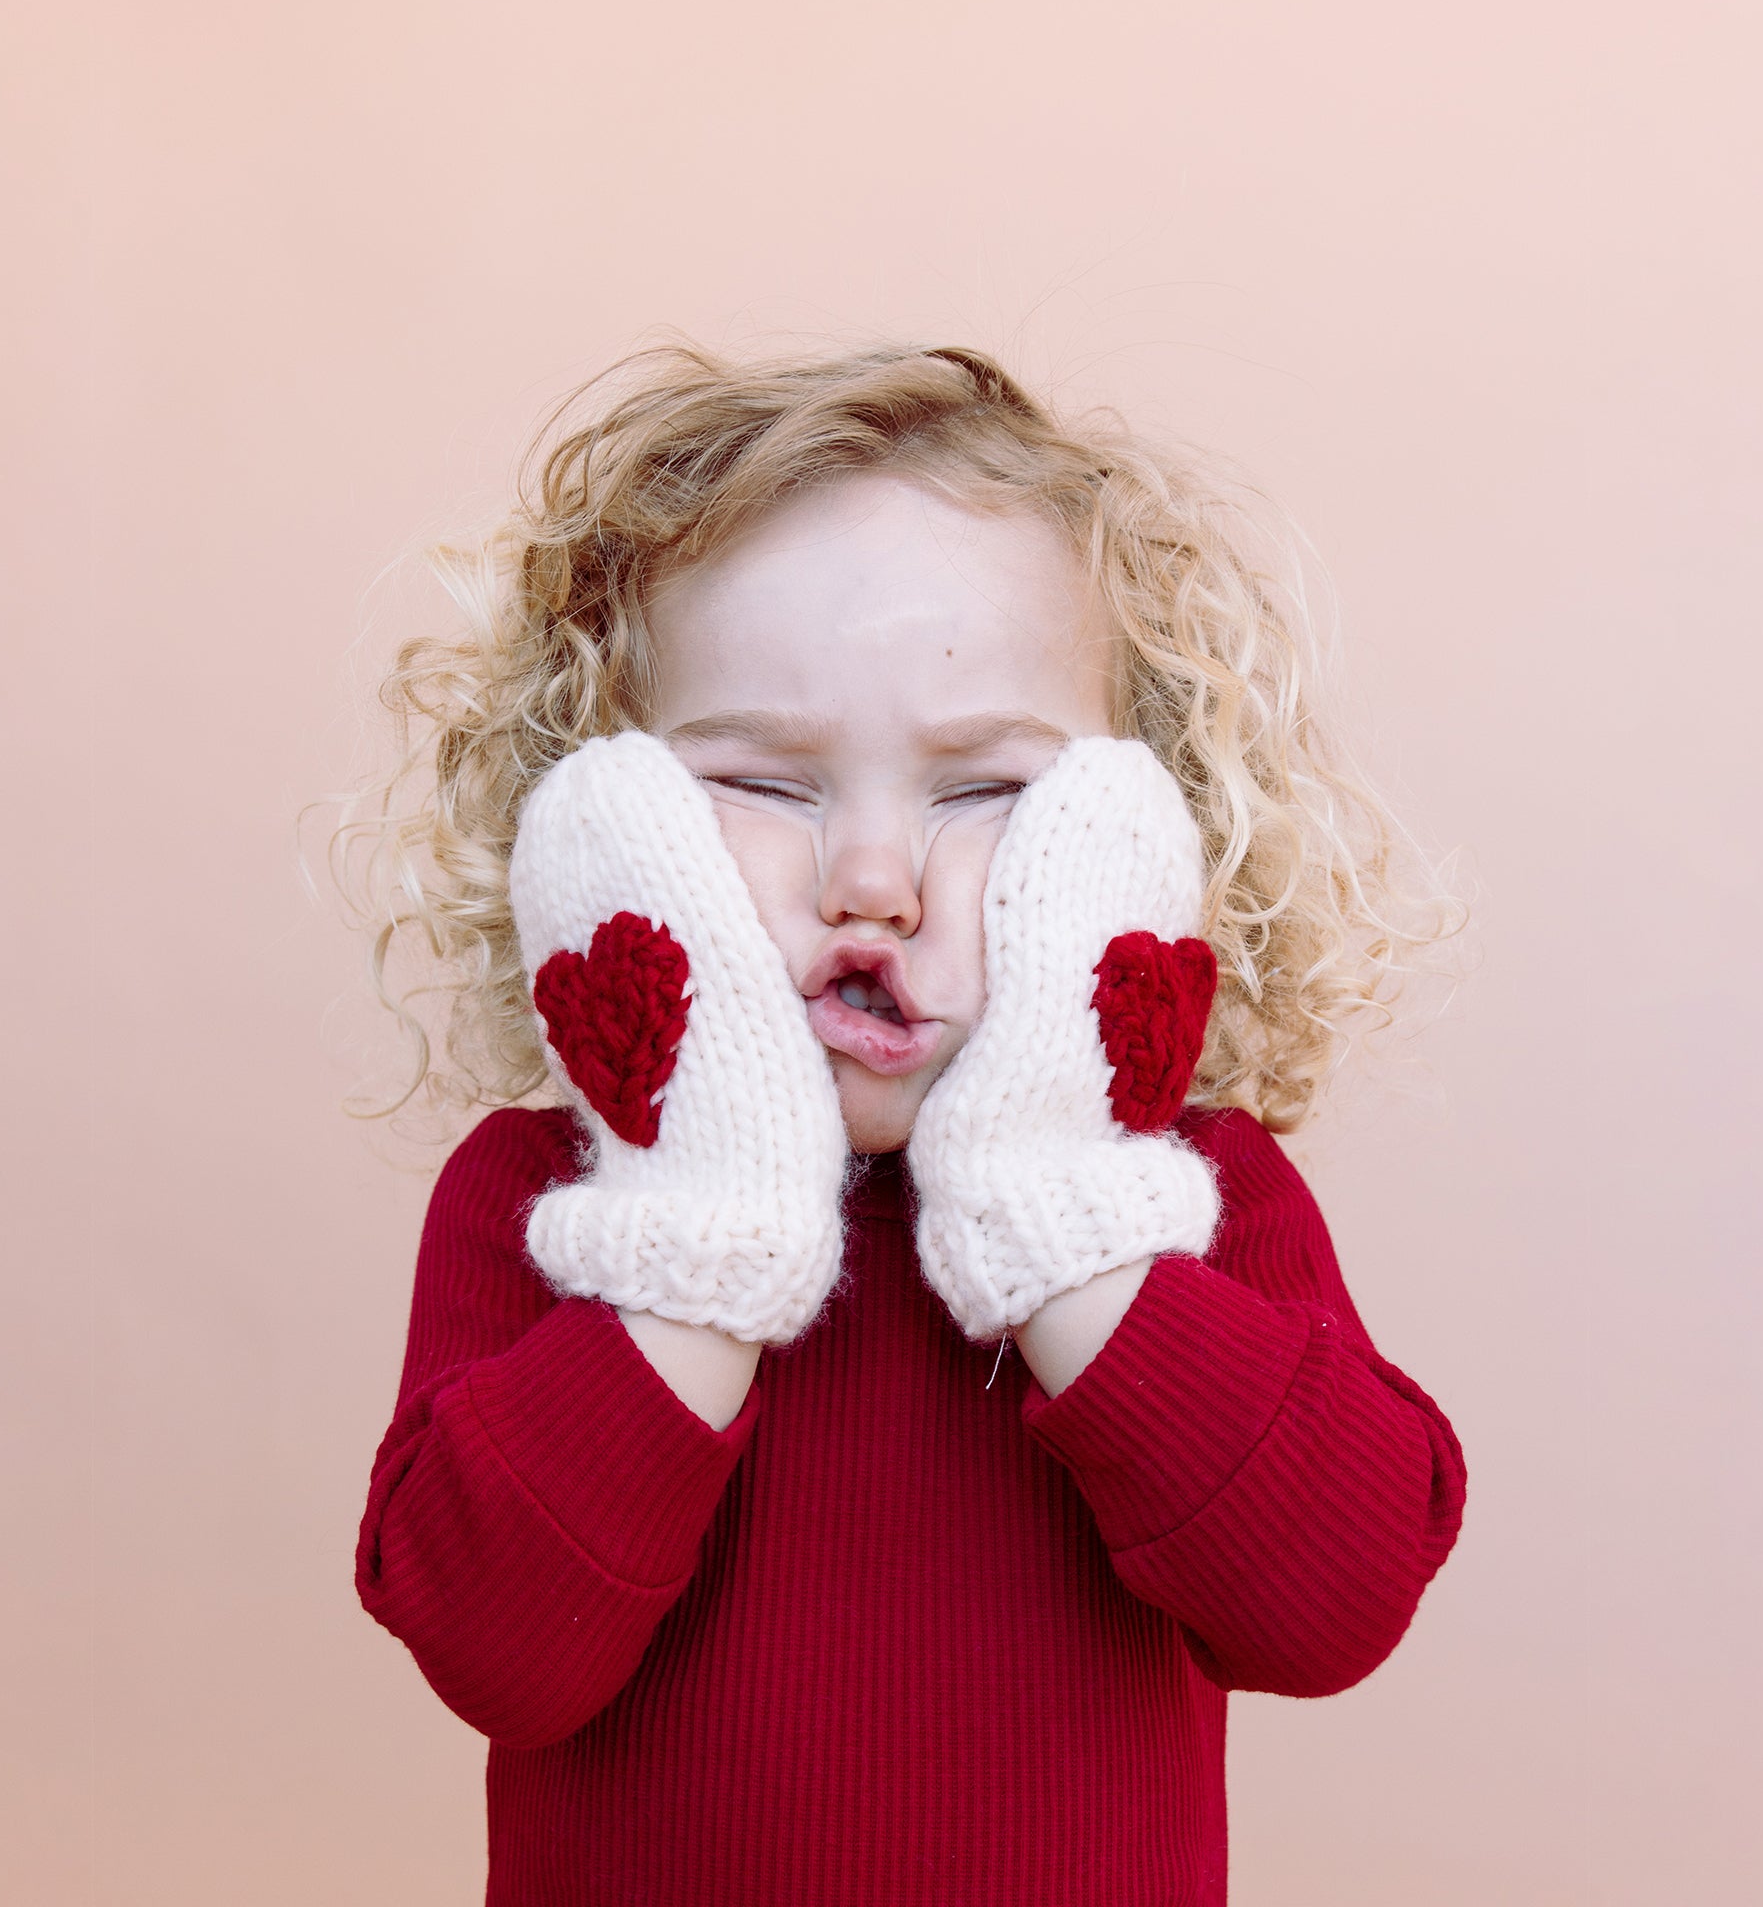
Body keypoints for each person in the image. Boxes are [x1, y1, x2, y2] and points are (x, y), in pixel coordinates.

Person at [341, 341, 1468, 1904]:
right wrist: (705, 1217)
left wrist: (1050, 1200)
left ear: (1135, 830)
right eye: (766, 784)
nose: (872, 875)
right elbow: (494, 1647)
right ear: (602, 819)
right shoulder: (541, 1201)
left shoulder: (1195, 1198)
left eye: (984, 788)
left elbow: (1333, 1603)